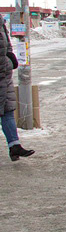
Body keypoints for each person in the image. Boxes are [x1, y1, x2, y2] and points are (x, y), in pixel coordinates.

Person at [0, 15, 34, 162]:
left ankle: (15, 145)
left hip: (4, 74)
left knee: (7, 110)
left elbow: (6, 43)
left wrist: (9, 56)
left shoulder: (1, 21)